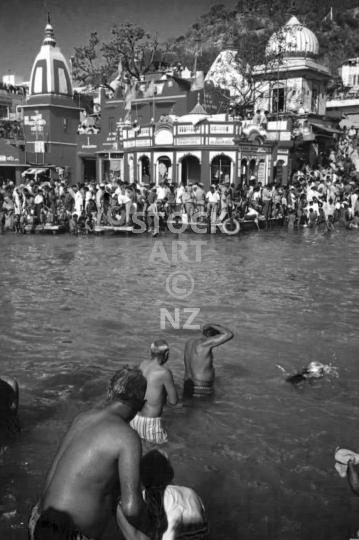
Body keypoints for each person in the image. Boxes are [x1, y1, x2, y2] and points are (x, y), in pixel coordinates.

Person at [28, 366, 153, 540]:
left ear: (109, 391)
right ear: (142, 405)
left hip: (38, 520)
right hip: (69, 535)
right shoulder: (127, 437)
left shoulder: (83, 417)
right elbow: (131, 508)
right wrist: (153, 521)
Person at [117, 449, 209, 540]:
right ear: (171, 473)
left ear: (142, 478)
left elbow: (145, 532)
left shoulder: (152, 495)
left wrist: (117, 503)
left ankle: (112, 500)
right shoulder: (192, 493)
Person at [130, 341, 178, 444]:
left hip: (134, 418)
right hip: (150, 423)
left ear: (150, 352)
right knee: (161, 454)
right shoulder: (164, 372)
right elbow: (173, 401)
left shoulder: (142, 364)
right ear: (166, 354)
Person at [184, 323, 234, 397]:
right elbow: (229, 334)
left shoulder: (190, 342)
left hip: (188, 384)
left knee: (189, 407)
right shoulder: (205, 344)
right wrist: (212, 325)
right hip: (202, 387)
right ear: (212, 337)